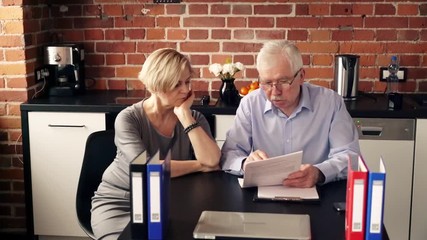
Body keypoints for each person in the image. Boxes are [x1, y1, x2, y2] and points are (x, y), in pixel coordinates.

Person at [91, 48, 221, 239]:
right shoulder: (129, 119)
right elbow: (148, 169)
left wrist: (184, 115)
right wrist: (199, 165)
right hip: (122, 201)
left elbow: (213, 159)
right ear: (157, 84)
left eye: (187, 82)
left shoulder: (194, 118)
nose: (185, 90)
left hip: (170, 201)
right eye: (177, 84)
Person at [221, 40, 360, 188]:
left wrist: (318, 173)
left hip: (317, 193)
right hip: (263, 195)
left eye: (284, 81)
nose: (275, 92)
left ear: (301, 76)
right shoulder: (250, 104)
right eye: (267, 83)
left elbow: (349, 156)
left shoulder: (330, 103)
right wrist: (245, 163)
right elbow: (229, 154)